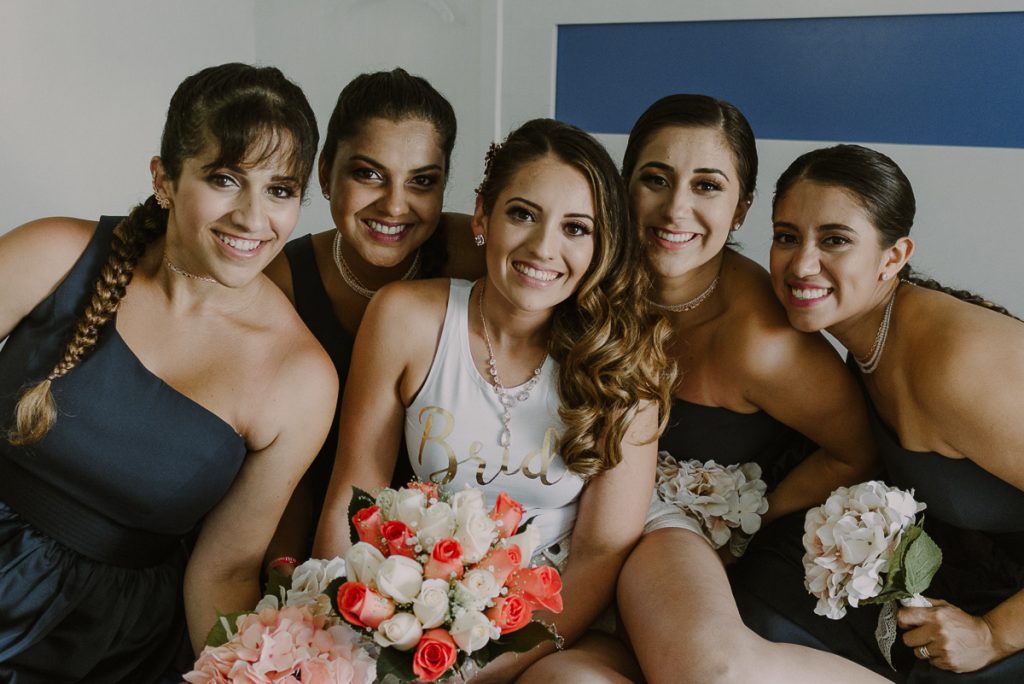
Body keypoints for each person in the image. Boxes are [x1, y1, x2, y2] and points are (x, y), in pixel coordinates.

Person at [0, 63, 336, 682]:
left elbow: (224, 571)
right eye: (225, 179)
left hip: (114, 647)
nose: (252, 217)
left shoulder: (301, 379)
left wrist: (238, 674)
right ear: (164, 179)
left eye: (280, 190)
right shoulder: (51, 253)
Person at [313, 118, 674, 683]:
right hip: (421, 613)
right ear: (483, 215)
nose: (544, 248)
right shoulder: (405, 318)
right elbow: (353, 497)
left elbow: (601, 554)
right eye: (523, 214)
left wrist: (476, 673)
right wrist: (328, 637)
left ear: (601, 245)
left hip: (562, 619)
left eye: (576, 228)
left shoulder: (626, 359)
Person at [614, 94, 885, 683]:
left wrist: (746, 531)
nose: (676, 208)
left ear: (741, 209)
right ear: (623, 186)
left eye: (707, 186)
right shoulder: (580, 272)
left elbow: (856, 450)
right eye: (655, 179)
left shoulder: (761, 341)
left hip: (710, 550)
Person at [736, 143, 1024, 681]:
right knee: (766, 591)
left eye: (835, 240)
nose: (801, 264)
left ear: (893, 257)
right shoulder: (868, 347)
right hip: (989, 577)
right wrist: (736, 532)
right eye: (786, 237)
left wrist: (992, 635)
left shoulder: (953, 362)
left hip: (1012, 617)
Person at [263, 68, 484, 570]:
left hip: (451, 553)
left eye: (422, 181)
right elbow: (272, 470)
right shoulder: (280, 280)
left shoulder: (477, 258)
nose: (395, 205)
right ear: (325, 173)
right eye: (368, 174)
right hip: (309, 528)